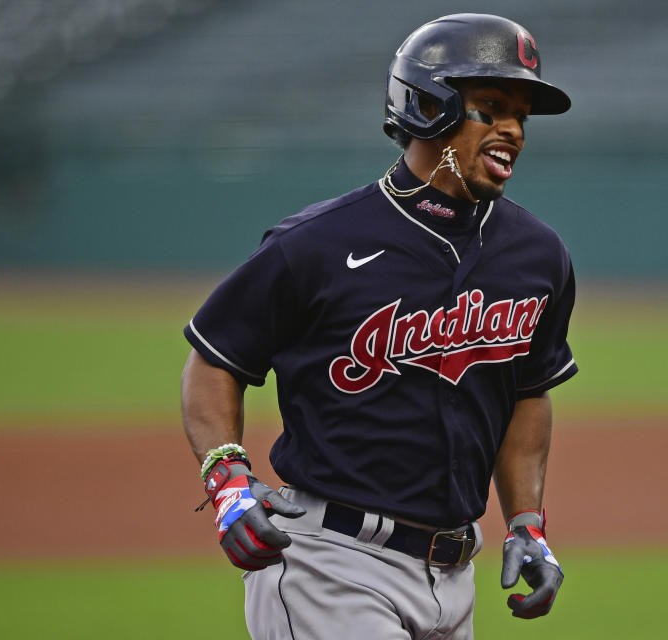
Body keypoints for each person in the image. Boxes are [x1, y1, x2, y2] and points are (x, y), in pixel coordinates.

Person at [181, 13, 577, 639]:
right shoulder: (315, 244)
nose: (512, 131)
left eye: (521, 116)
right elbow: (215, 361)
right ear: (428, 106)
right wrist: (228, 478)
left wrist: (526, 520)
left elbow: (528, 391)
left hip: (455, 579)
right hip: (329, 565)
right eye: (492, 107)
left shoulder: (537, 256)